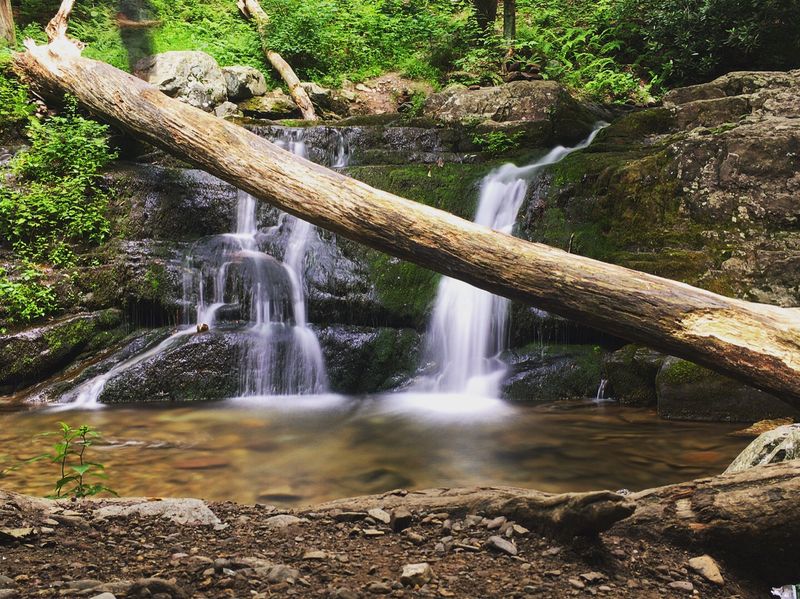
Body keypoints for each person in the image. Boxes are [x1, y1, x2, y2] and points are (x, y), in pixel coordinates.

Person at [116, 0, 159, 71]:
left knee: (150, 63)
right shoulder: (126, 3)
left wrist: (154, 23)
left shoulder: (147, 3)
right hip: (131, 39)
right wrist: (141, 24)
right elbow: (120, 21)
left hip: (145, 37)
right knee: (137, 64)